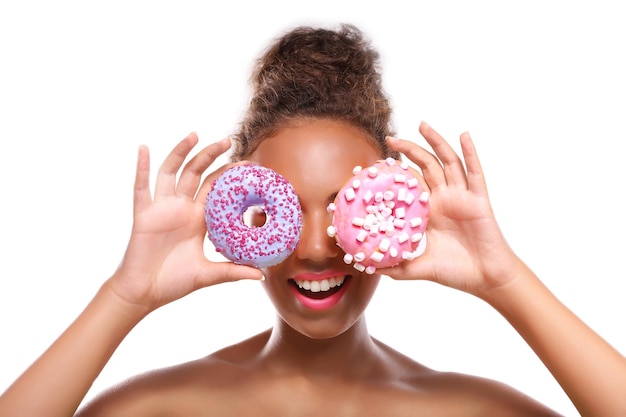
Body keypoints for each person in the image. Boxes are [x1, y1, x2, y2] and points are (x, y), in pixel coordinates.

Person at [1, 24, 625, 417]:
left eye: (345, 203)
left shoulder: (468, 407)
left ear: (400, 206)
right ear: (237, 212)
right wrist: (124, 297)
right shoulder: (162, 406)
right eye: (285, 209)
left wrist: (505, 281)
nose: (318, 246)